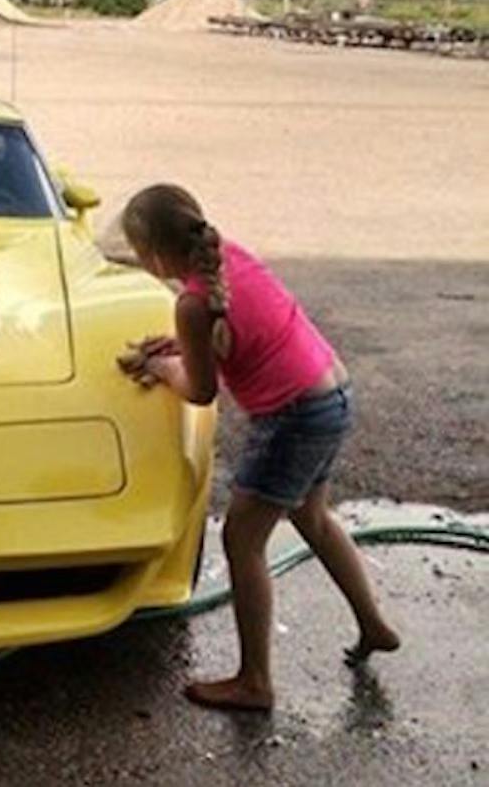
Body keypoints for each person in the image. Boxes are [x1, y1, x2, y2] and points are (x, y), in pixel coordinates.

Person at [116, 183, 399, 712]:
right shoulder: (227, 259)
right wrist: (179, 348)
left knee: (243, 540)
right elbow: (236, 332)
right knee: (312, 517)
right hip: (331, 391)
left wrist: (158, 366)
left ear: (152, 255)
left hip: (295, 415)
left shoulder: (191, 303)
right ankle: (374, 624)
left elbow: (199, 389)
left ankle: (255, 682)